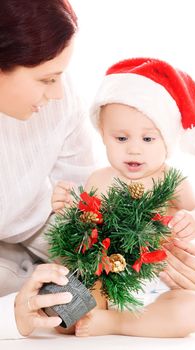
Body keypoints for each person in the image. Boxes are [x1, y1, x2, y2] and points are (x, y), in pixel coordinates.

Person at [52, 57, 195, 338]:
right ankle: (99, 314)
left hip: (160, 284)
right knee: (66, 312)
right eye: (121, 139)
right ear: (103, 136)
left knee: (194, 309)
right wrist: (67, 209)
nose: (134, 150)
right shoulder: (99, 180)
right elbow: (82, 233)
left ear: (167, 139)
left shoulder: (172, 180)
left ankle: (118, 323)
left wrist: (194, 220)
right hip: (109, 279)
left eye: (147, 139)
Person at [0, 0, 95, 339]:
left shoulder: (61, 95)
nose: (57, 92)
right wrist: (12, 315)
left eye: (60, 76)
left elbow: (84, 185)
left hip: (45, 225)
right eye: (47, 79)